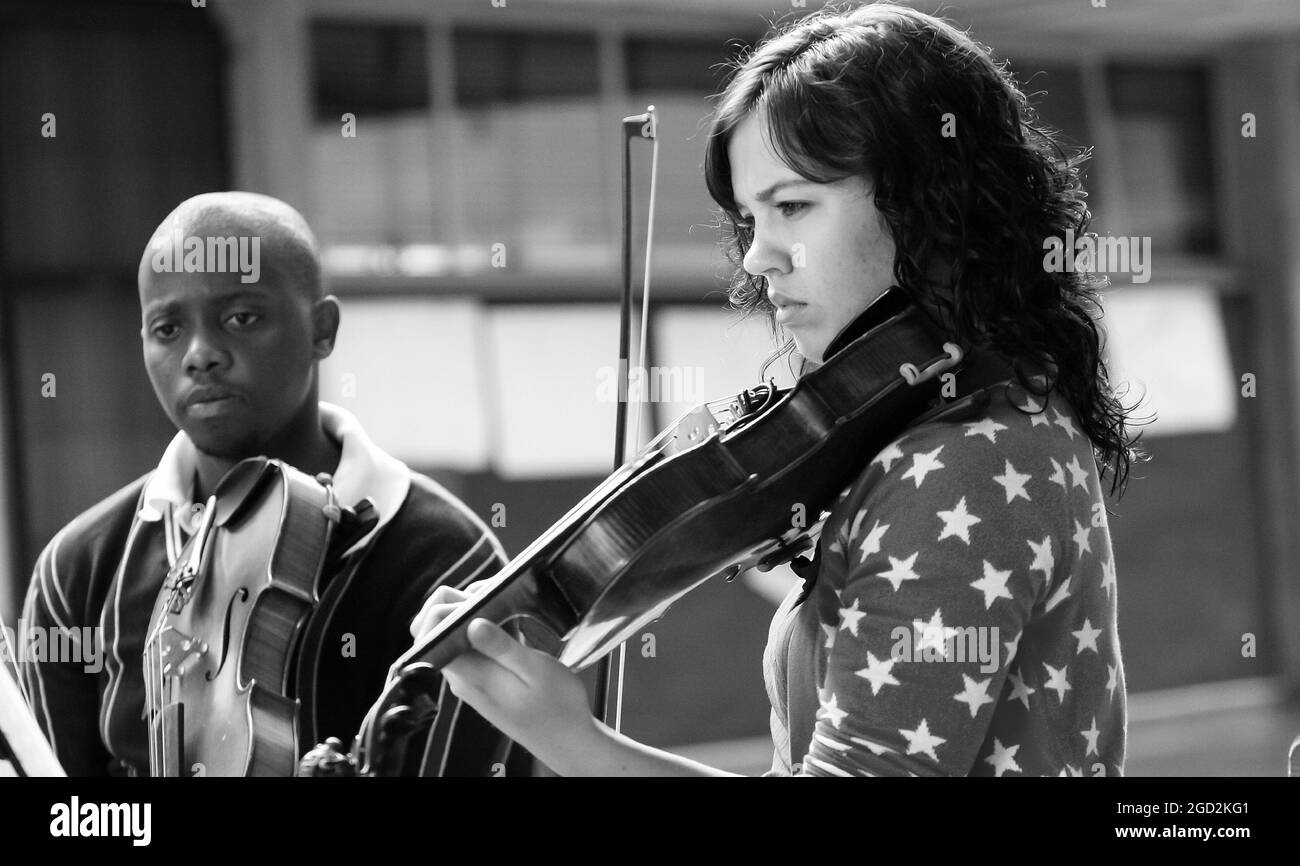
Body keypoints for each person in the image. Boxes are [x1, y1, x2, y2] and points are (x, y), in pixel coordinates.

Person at [410, 2, 1138, 777]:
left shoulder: (967, 462)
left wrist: (571, 741)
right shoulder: (987, 420)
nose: (758, 258)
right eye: (749, 219)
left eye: (793, 206)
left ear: (935, 207)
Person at [18, 191, 507, 776]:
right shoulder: (77, 568)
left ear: (321, 330)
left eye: (241, 318)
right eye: (167, 327)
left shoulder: (447, 560)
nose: (199, 355)